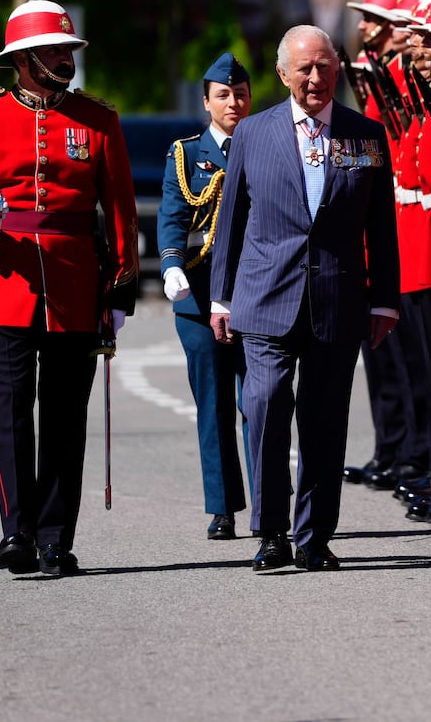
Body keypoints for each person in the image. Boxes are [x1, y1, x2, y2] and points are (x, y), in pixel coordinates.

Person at [0, 0, 138, 577]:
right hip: (6, 278)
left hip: (76, 283)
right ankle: (16, 531)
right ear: (23, 59)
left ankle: (55, 538)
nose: (65, 59)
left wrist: (120, 282)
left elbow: (120, 206)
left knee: (65, 414)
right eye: (52, 49)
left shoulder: (98, 120)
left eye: (68, 48)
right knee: (11, 409)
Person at [209, 24, 399, 572]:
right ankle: (271, 533)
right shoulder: (253, 133)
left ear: (338, 67)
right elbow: (232, 223)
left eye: (325, 66)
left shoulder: (364, 136)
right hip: (266, 297)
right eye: (304, 69)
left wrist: (384, 299)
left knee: (324, 420)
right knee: (264, 407)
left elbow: (380, 226)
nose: (315, 78)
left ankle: (314, 535)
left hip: (338, 299)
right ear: (283, 74)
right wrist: (221, 298)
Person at [157, 52, 253, 541]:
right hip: (198, 296)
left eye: (240, 94)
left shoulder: (265, 144)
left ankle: (269, 504)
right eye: (223, 95)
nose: (233, 102)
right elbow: (172, 216)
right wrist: (171, 264)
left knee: (260, 403)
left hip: (255, 296)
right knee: (214, 406)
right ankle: (222, 508)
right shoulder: (186, 153)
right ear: (206, 102)